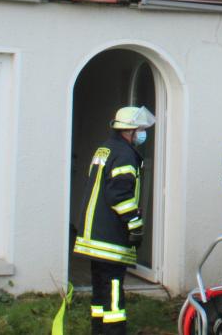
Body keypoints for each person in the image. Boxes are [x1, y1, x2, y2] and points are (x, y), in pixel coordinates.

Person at [73, 106, 155, 335]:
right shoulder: (125, 154)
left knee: (100, 290)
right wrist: (135, 224)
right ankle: (114, 331)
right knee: (113, 289)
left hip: (94, 234)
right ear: (130, 130)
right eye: (140, 129)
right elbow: (119, 194)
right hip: (110, 236)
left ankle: (97, 330)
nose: (142, 134)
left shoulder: (105, 149)